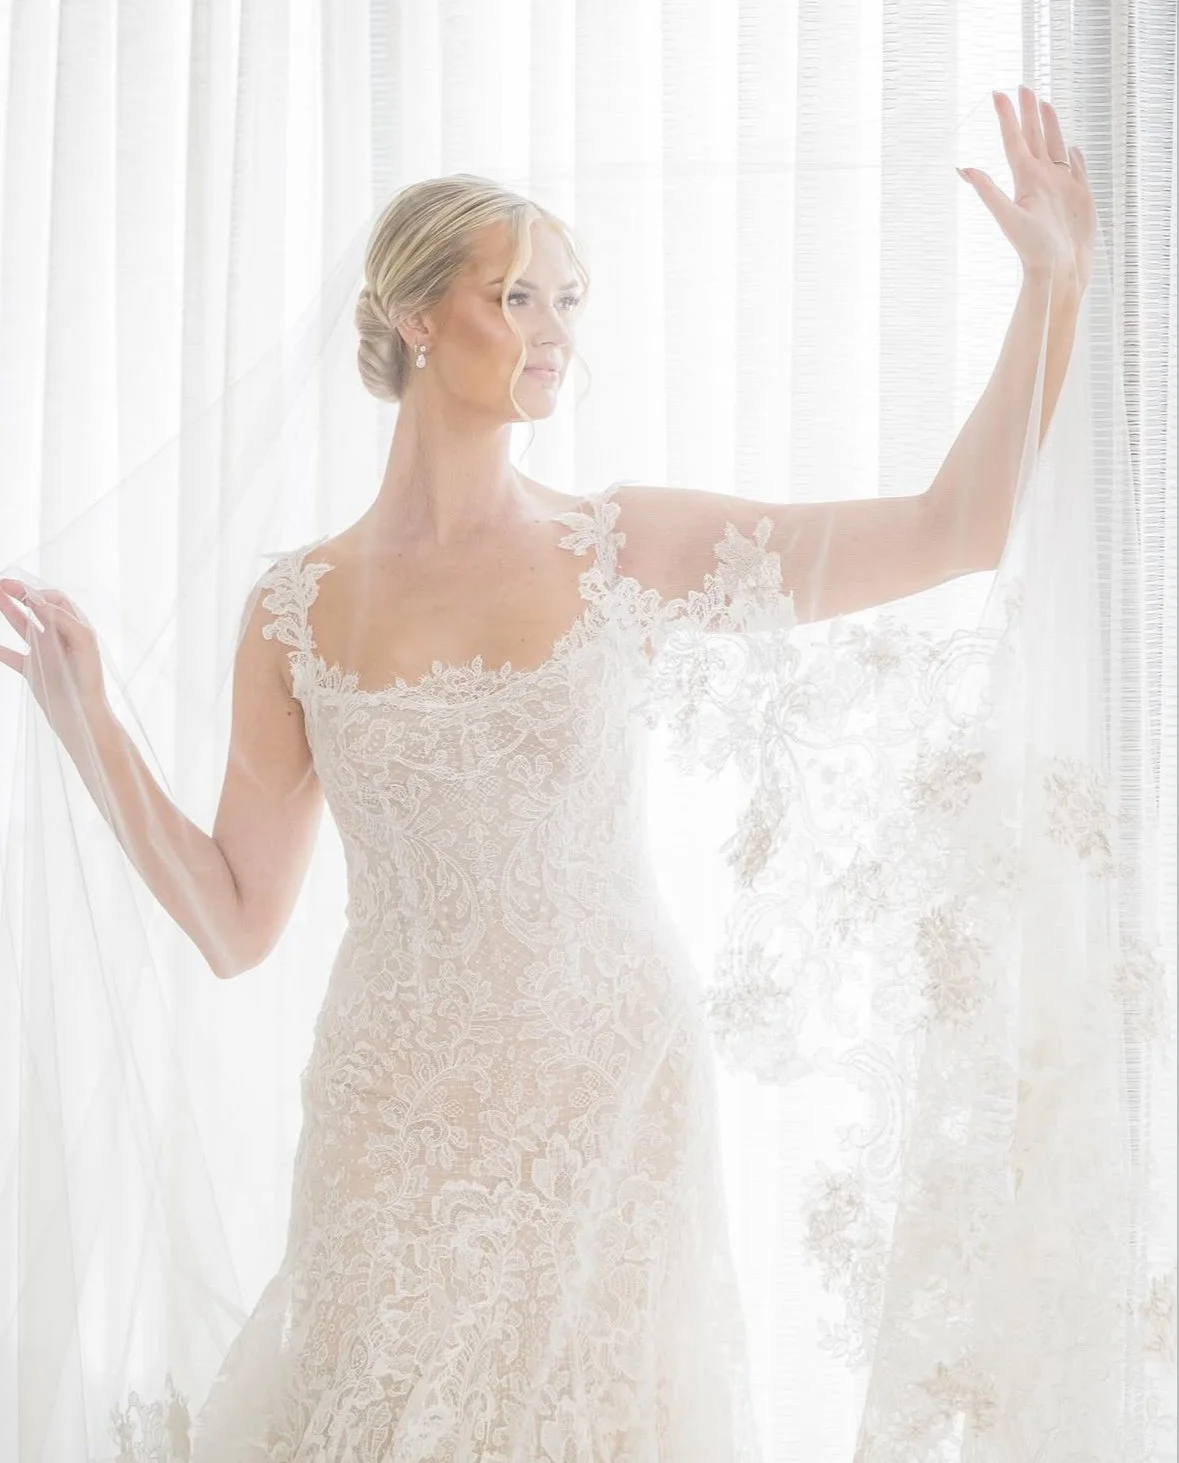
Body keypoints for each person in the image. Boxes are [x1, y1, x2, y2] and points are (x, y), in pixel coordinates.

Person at [2, 86, 1149, 1463]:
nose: (554, 333)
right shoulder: (293, 609)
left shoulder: (623, 547)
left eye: (569, 302)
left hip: (608, 1091)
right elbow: (236, 920)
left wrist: (1052, 290)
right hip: (390, 1109)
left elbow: (955, 529)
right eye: (517, 298)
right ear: (417, 319)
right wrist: (88, 721)